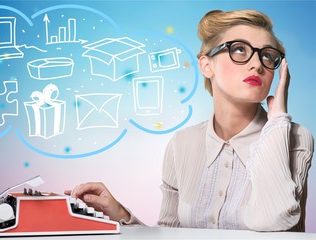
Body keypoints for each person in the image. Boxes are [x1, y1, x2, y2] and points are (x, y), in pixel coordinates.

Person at [65, 9, 314, 232]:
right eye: (240, 49)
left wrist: (278, 118)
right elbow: (170, 234)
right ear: (207, 65)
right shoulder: (182, 144)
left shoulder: (294, 138)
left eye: (268, 56)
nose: (257, 65)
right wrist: (120, 214)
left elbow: (275, 220)